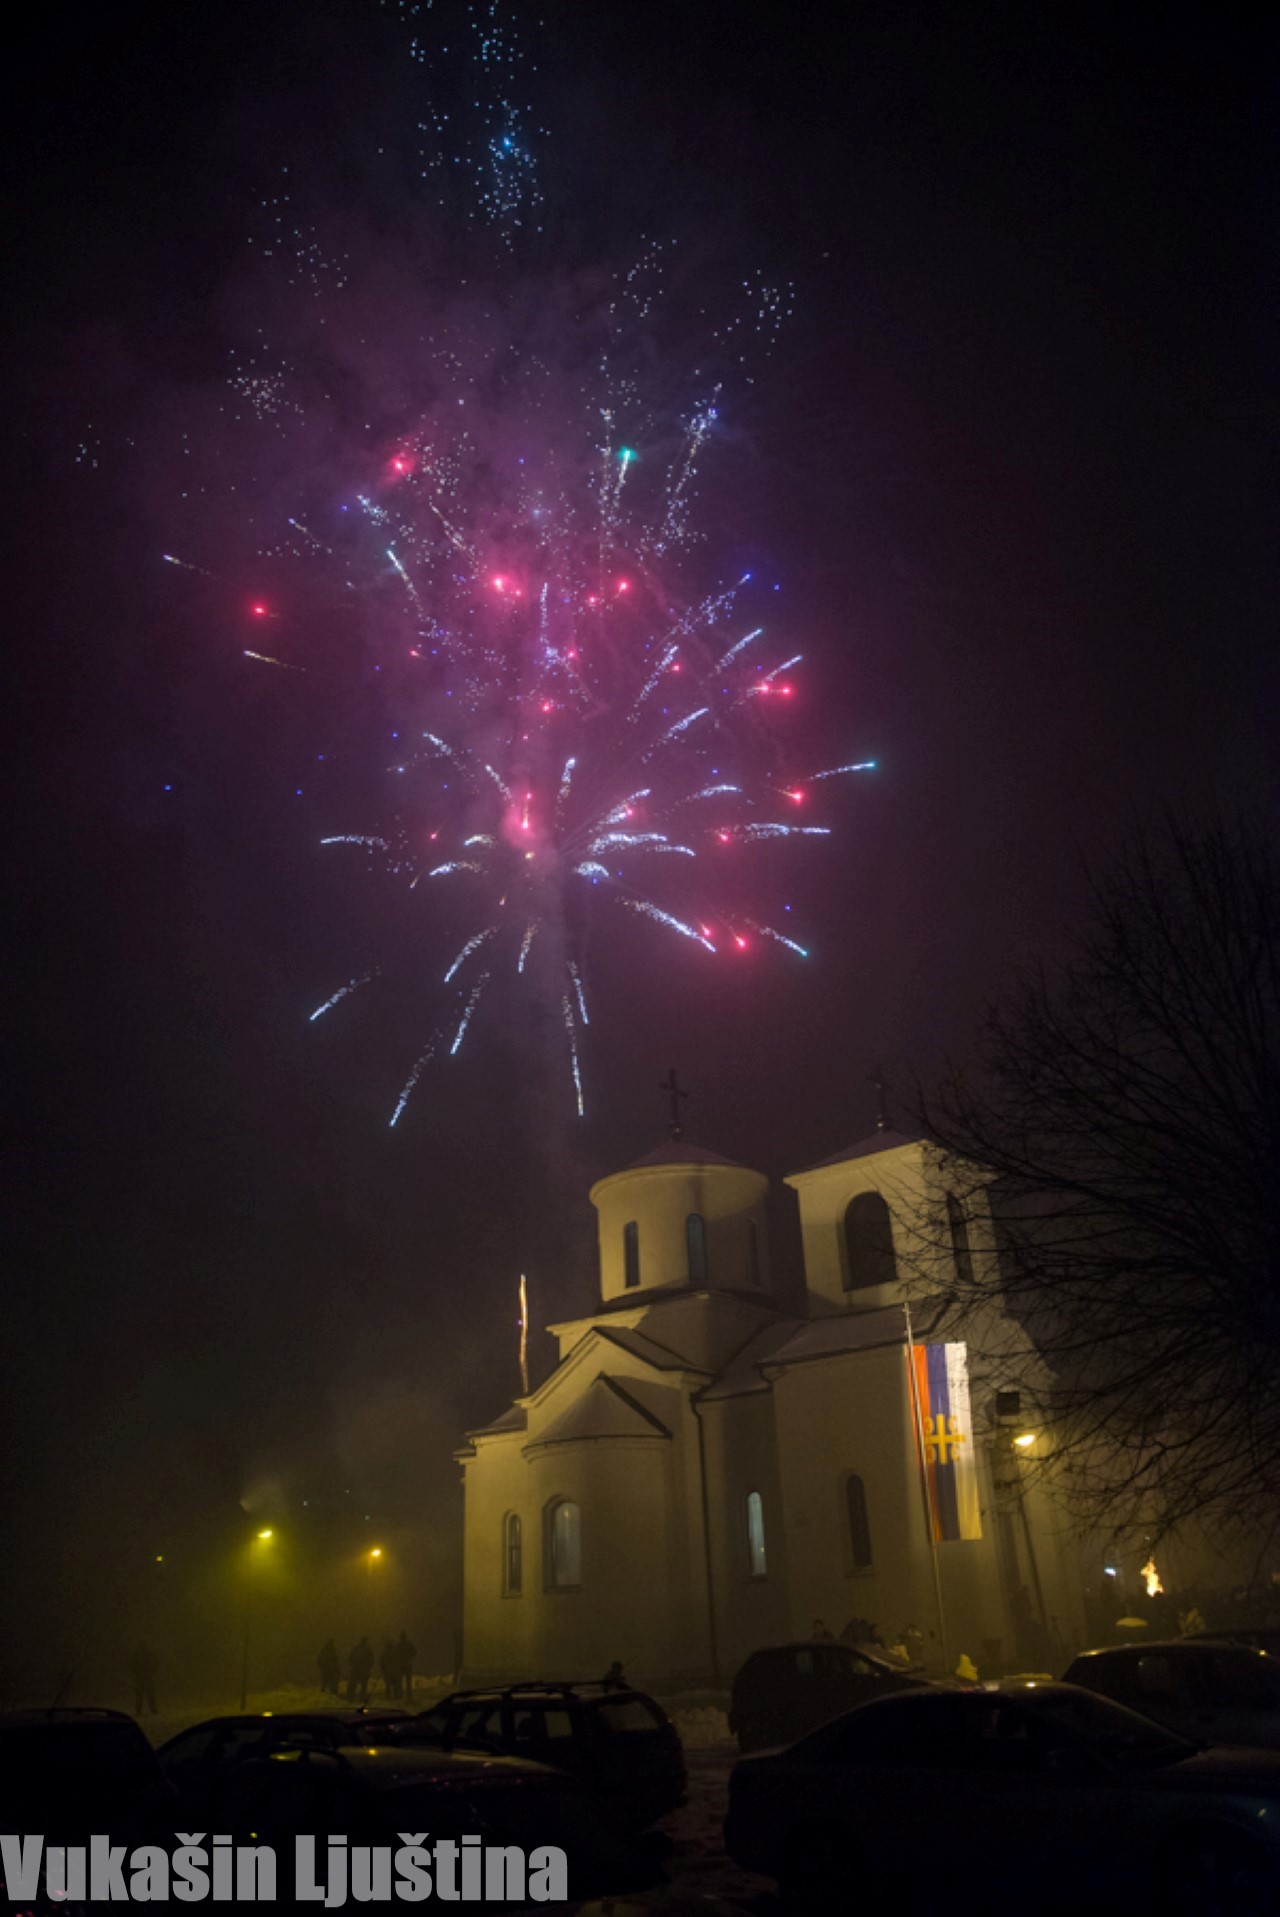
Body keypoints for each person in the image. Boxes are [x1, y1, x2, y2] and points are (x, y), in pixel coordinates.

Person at [129, 1643, 158, 1717]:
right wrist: (152, 1671)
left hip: (142, 1677)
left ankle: (140, 1710)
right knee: (148, 1694)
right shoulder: (148, 1654)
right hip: (146, 1677)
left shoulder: (137, 1655)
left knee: (141, 1695)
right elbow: (155, 1663)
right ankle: (151, 1710)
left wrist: (135, 1673)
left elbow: (131, 1665)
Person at [348, 1636, 374, 1703]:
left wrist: (353, 1665)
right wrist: (368, 1667)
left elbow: (350, 1658)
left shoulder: (356, 1649)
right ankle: (361, 1698)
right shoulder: (367, 1650)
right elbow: (371, 1660)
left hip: (356, 1669)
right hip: (363, 1670)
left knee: (353, 1684)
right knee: (363, 1686)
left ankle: (350, 1698)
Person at [395, 1630, 417, 1701]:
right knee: (408, 1681)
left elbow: (395, 1654)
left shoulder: (399, 1645)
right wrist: (409, 1657)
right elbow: (414, 1652)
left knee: (400, 1680)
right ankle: (409, 1695)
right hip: (407, 1664)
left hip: (401, 1665)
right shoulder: (409, 1644)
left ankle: (400, 1695)